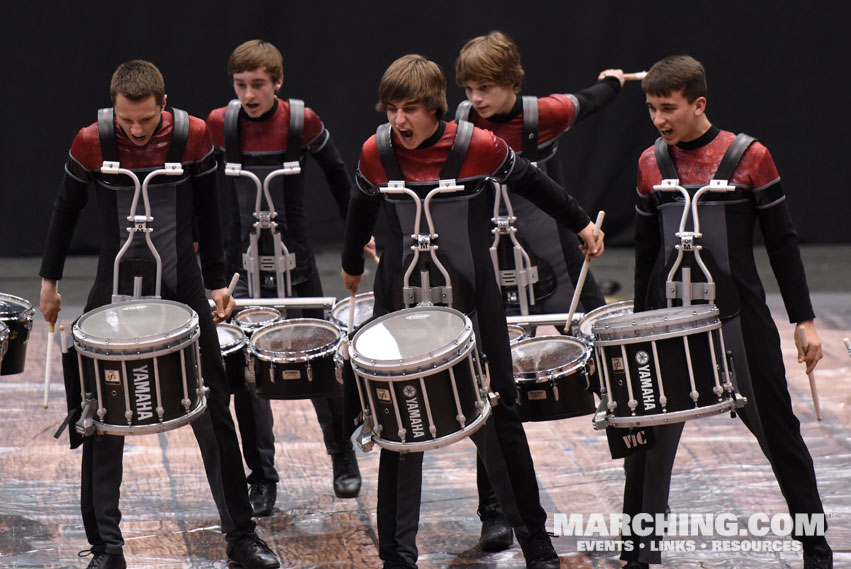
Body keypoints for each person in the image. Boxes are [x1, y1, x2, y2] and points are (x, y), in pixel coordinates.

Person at [341, 54, 604, 569]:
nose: (400, 121)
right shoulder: (377, 152)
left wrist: (581, 225)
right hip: (401, 305)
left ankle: (538, 546)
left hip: (475, 304)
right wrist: (352, 264)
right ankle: (398, 556)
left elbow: (534, 183)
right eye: (392, 109)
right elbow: (360, 209)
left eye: (411, 109)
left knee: (501, 416)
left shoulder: (478, 146)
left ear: (435, 108)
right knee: (398, 428)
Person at [39, 60, 279, 569]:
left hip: (183, 284)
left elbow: (212, 213)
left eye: (146, 119)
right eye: (128, 120)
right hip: (115, 289)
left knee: (214, 410)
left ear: (162, 106)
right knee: (98, 417)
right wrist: (50, 282)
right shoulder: (93, 142)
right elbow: (65, 209)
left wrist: (217, 279)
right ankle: (106, 548)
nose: (137, 129)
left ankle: (242, 537)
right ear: (113, 109)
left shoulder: (192, 137)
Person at [622, 54, 832, 569]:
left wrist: (803, 321)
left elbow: (782, 243)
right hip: (666, 326)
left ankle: (816, 547)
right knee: (645, 444)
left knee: (780, 434)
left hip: (738, 322)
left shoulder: (749, 157)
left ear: (699, 104)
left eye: (668, 108)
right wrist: (639, 327)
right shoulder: (652, 163)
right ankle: (637, 553)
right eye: (651, 109)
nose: (659, 120)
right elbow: (647, 254)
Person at [453, 30, 624, 551]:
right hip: (491, 267)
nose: (476, 99)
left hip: (557, 261)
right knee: (493, 391)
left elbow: (589, 101)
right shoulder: (459, 123)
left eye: (486, 88)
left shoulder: (542, 115)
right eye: (469, 88)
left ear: (511, 84)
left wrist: (612, 83)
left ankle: (637, 469)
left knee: (611, 355)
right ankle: (493, 511)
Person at [206, 40, 365, 515]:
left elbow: (340, 176)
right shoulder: (220, 125)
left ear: (278, 82)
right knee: (246, 373)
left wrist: (359, 237)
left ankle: (342, 455)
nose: (250, 94)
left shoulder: (301, 121)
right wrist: (201, 241)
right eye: (241, 85)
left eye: (258, 84)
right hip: (241, 264)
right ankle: (262, 477)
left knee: (319, 362)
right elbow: (197, 182)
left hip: (296, 261)